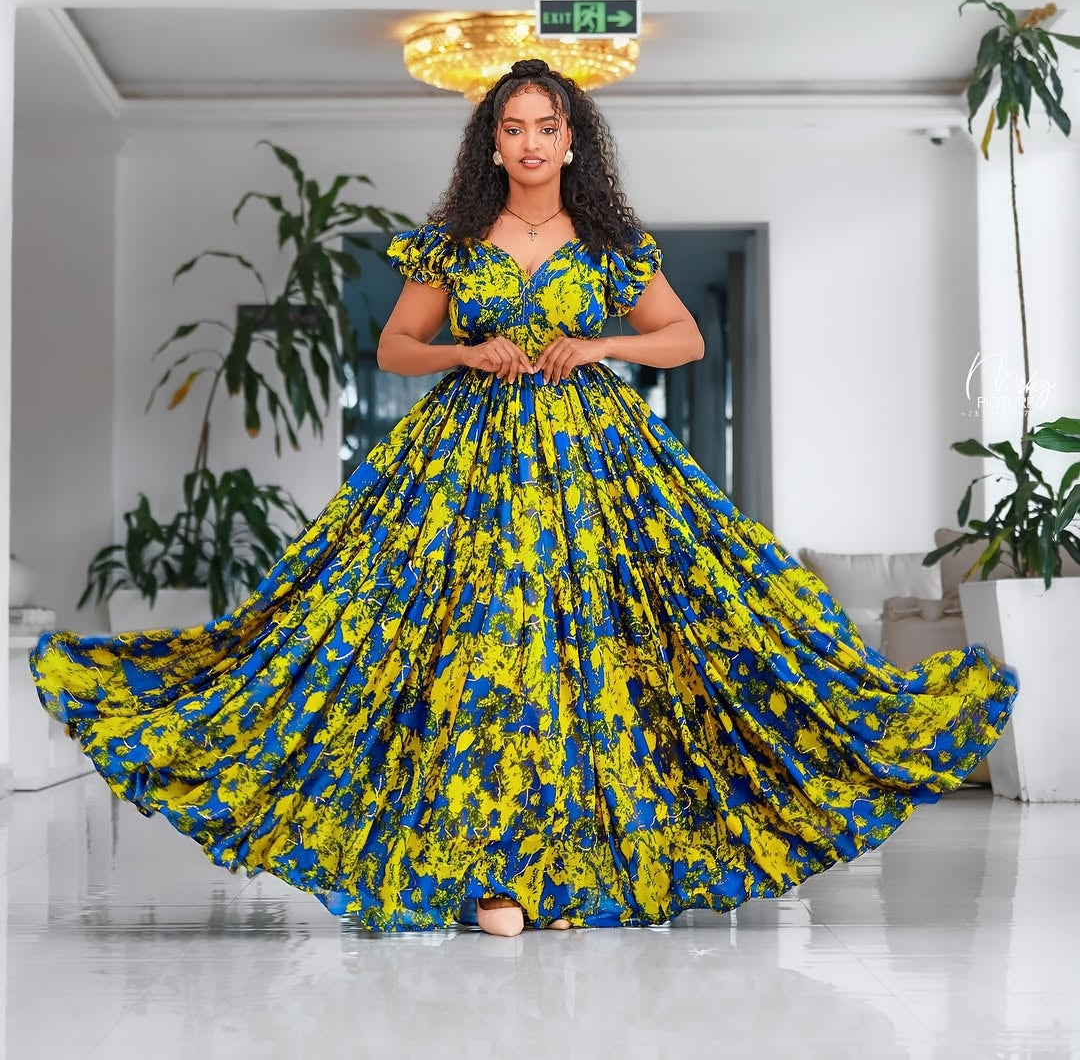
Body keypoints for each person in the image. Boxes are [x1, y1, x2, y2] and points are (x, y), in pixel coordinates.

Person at [28, 57, 1019, 940]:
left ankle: (574, 868)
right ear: (491, 143)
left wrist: (601, 344)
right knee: (477, 649)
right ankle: (492, 874)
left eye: (547, 126)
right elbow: (394, 349)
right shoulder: (454, 242)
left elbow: (683, 339)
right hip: (470, 469)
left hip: (596, 469)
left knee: (611, 648)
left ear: (572, 140)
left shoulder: (612, 242)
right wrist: (466, 352)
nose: (531, 142)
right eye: (513, 127)